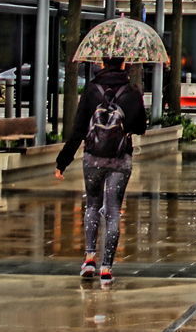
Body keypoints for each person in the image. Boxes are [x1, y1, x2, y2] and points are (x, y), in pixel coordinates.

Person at [54, 56, 148, 285]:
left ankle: (88, 259)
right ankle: (107, 268)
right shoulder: (133, 92)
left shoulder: (91, 91)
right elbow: (141, 128)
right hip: (120, 159)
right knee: (114, 211)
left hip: (93, 158)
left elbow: (78, 130)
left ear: (103, 63)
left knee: (92, 206)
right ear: (124, 64)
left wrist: (62, 162)